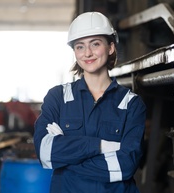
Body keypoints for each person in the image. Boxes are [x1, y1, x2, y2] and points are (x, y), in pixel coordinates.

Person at [33, 12, 146, 193]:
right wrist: (101, 146)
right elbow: (45, 154)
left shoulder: (131, 104)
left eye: (95, 44)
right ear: (75, 52)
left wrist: (67, 157)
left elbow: (125, 165)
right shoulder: (58, 97)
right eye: (80, 46)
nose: (87, 53)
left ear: (110, 47)